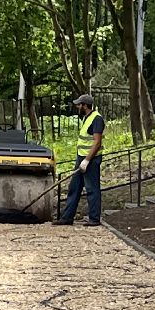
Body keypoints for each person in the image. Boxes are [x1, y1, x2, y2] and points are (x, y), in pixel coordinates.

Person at [55, 93, 105, 226]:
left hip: (91, 159)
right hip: (81, 157)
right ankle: (67, 217)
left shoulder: (96, 119)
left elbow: (97, 142)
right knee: (74, 187)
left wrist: (87, 160)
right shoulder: (86, 118)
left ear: (85, 105)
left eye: (79, 104)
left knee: (92, 188)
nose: (77, 107)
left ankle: (94, 218)